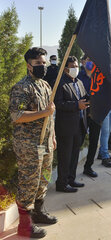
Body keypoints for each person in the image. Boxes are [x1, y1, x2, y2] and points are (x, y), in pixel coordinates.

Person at [9, 47, 57, 238]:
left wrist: (52, 136)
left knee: (43, 179)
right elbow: (16, 115)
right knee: (28, 183)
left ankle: (39, 212)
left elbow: (51, 117)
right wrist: (42, 113)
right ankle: (25, 226)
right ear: (29, 65)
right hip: (28, 145)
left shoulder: (45, 86)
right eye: (38, 64)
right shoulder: (22, 87)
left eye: (44, 63)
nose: (42, 66)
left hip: (45, 144)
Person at [54, 56, 88, 193]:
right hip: (66, 127)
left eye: (76, 66)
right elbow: (58, 103)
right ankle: (61, 184)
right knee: (65, 156)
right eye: (72, 66)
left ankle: (71, 179)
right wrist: (76, 105)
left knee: (74, 154)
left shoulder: (79, 82)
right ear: (66, 68)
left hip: (79, 125)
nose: (75, 68)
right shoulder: (60, 83)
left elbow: (84, 98)